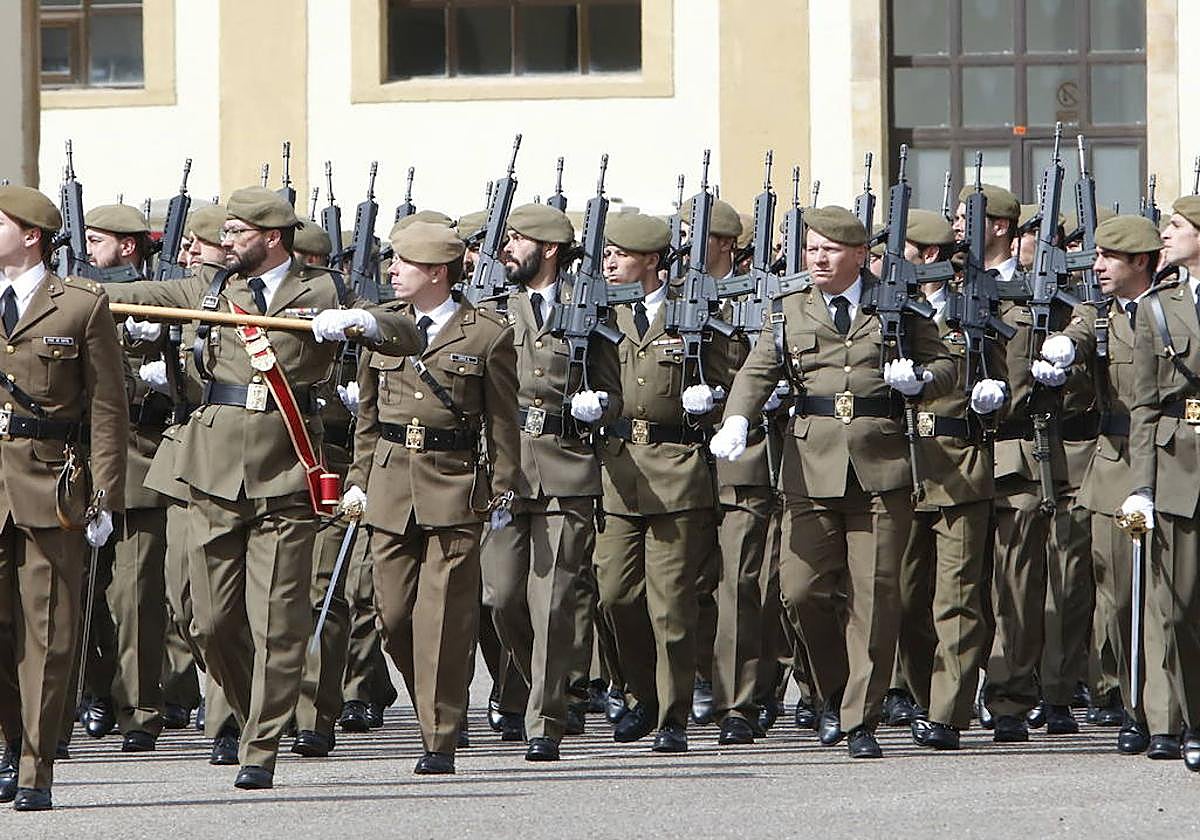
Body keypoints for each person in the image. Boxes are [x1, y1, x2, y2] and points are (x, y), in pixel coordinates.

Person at [103, 187, 421, 790]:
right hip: (214, 469)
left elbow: (408, 332)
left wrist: (361, 322)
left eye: (236, 233)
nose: (225, 243)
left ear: (271, 238)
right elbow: (130, 293)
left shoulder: (324, 289)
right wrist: (50, 289)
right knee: (208, 621)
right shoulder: (213, 287)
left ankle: (261, 745)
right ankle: (255, 709)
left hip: (287, 467)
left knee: (277, 619)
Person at [711, 206, 956, 759]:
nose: (817, 258)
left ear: (859, 256)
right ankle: (835, 690)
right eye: (812, 249)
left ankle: (860, 720)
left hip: (880, 466)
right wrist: (737, 417)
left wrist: (917, 380)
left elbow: (946, 365)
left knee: (874, 596)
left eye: (830, 250)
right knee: (800, 592)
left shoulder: (895, 306)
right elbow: (757, 370)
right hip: (809, 464)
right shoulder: (789, 309)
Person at [343, 220, 520, 775]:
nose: (391, 271)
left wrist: (504, 489)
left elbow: (503, 421)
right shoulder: (382, 331)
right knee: (394, 617)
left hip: (454, 487)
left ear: (437, 273)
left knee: (443, 616)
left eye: (403, 263)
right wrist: (358, 478)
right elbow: (367, 419)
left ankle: (439, 735)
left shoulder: (486, 333)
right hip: (392, 484)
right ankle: (432, 699)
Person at [0, 185, 128, 811]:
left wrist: (103, 495)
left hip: (53, 487)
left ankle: (35, 767)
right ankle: (8, 741)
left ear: (30, 234)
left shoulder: (79, 305)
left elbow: (108, 409)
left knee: (47, 635)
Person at [479, 203, 622, 761]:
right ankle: (548, 672)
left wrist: (598, 406)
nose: (506, 249)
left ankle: (546, 718)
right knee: (501, 596)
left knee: (557, 600)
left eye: (517, 241)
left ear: (550, 250)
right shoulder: (492, 310)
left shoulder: (589, 310)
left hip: (565, 468)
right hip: (507, 468)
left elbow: (614, 393)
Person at [595, 212, 731, 753]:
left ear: (651, 261)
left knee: (671, 604)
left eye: (620, 255)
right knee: (615, 594)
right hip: (618, 470)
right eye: (606, 254)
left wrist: (713, 400)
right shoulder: (600, 317)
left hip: (677, 470)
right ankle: (639, 693)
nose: (609, 263)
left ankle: (671, 714)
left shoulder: (693, 315)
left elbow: (733, 376)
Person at [1126, 195, 1200, 773]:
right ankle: (1191, 719)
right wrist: (1141, 485)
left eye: (1176, 226)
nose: (1165, 236)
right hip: (1180, 468)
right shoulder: (1157, 309)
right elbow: (1145, 406)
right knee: (1177, 607)